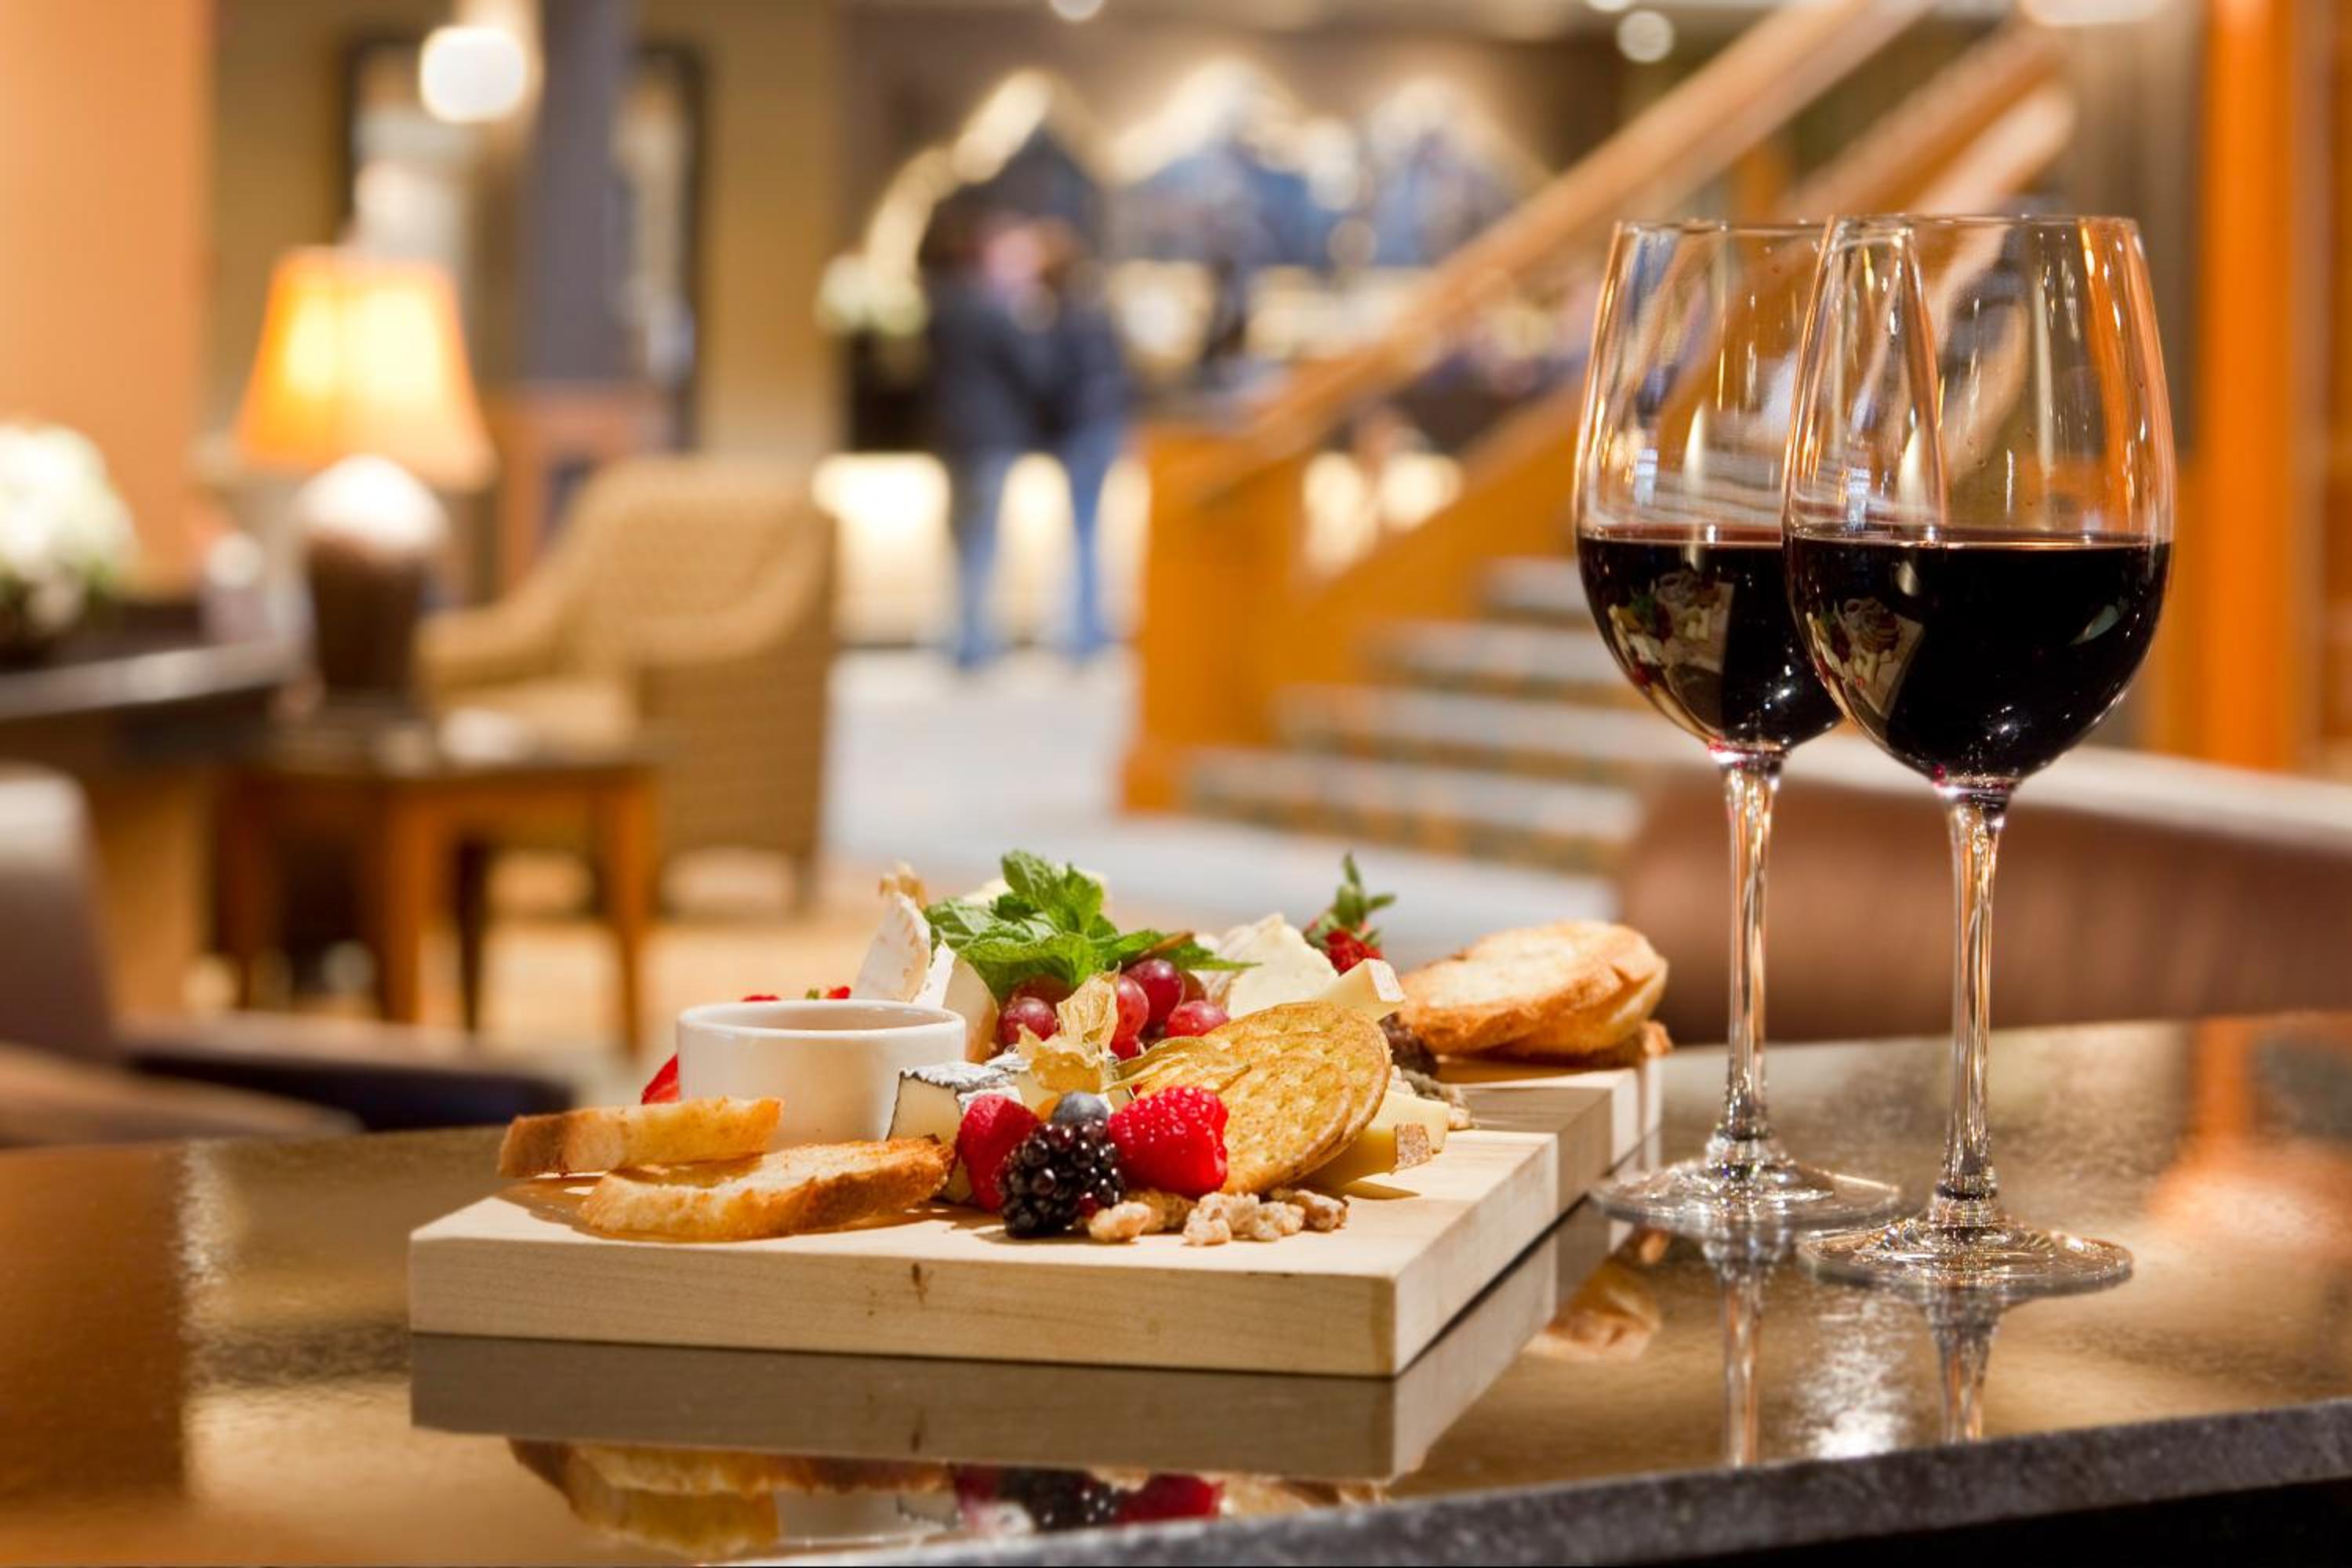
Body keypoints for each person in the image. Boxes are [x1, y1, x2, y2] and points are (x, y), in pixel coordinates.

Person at [924, 209, 1053, 670]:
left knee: (960, 537)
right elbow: (1035, 371)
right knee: (983, 538)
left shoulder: (943, 303)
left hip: (949, 432)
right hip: (991, 436)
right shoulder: (1000, 311)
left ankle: (957, 633)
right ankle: (975, 639)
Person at [1036, 221, 1131, 663]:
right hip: (1101, 426)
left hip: (1080, 430)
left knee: (1083, 530)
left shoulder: (1062, 318)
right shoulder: (1093, 310)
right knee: (1090, 529)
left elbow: (1053, 379)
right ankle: (1087, 627)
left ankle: (1081, 631)